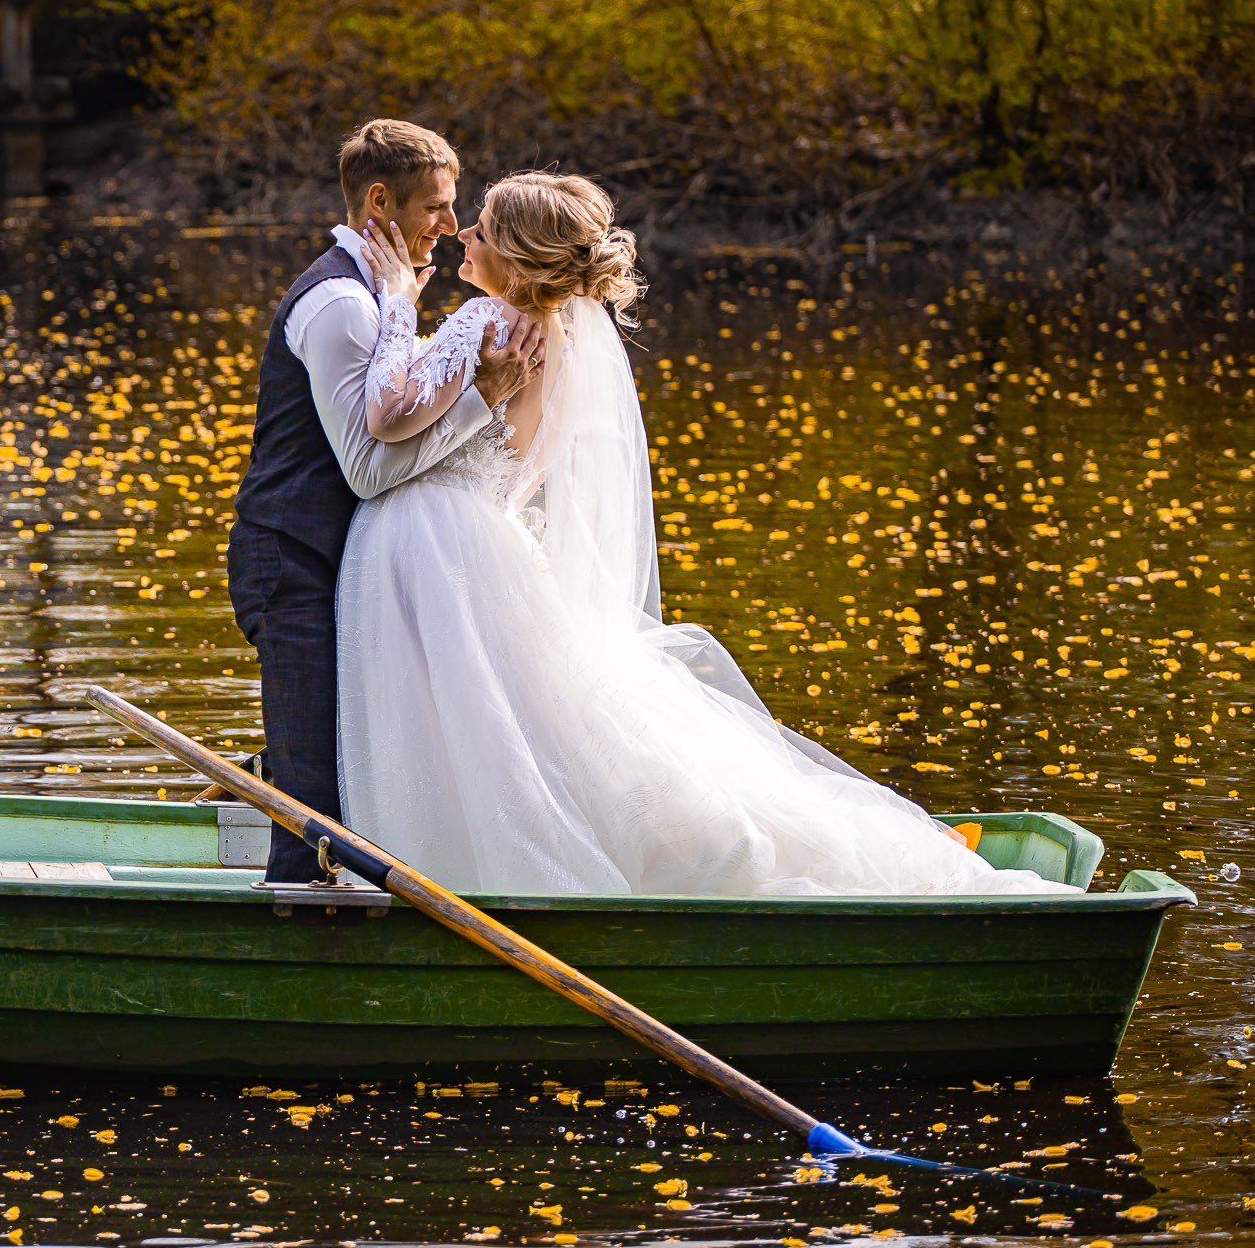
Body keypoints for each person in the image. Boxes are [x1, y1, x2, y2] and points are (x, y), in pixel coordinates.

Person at [333, 170, 1071, 895]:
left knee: (482, 728)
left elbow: (386, 411)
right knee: (532, 723)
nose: (464, 232)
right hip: (491, 537)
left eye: (485, 226)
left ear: (520, 258)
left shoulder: (486, 321)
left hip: (452, 546)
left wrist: (398, 302)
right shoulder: (565, 343)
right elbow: (520, 466)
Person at [227, 121, 544, 883]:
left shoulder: (384, 295)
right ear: (380, 201)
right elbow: (369, 469)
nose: (449, 224)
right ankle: (296, 927)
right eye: (435, 206)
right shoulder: (342, 304)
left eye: (454, 206)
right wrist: (481, 398)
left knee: (350, 773)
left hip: (337, 561)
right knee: (309, 802)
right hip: (293, 560)